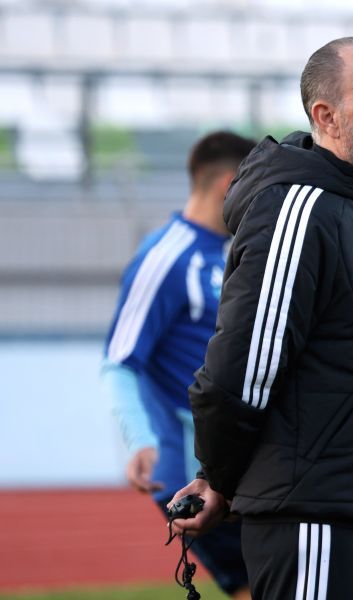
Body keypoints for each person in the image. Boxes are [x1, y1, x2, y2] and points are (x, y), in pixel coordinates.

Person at [168, 37, 353, 600]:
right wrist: (218, 476)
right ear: (327, 116)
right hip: (315, 525)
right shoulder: (301, 209)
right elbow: (240, 372)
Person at [100, 131, 256, 599]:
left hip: (234, 459)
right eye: (257, 187)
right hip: (192, 469)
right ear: (229, 185)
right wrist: (140, 439)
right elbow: (119, 362)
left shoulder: (225, 253)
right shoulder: (166, 257)